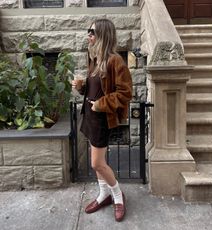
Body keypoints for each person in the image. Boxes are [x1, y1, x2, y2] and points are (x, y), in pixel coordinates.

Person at [72, 18, 132, 222]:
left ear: (103, 35)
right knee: (98, 163)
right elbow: (94, 89)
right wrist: (81, 86)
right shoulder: (94, 59)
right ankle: (103, 194)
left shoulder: (115, 61)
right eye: (88, 31)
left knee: (97, 163)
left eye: (92, 31)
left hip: (101, 118)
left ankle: (117, 196)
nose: (88, 34)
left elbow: (125, 93)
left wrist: (101, 104)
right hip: (89, 117)